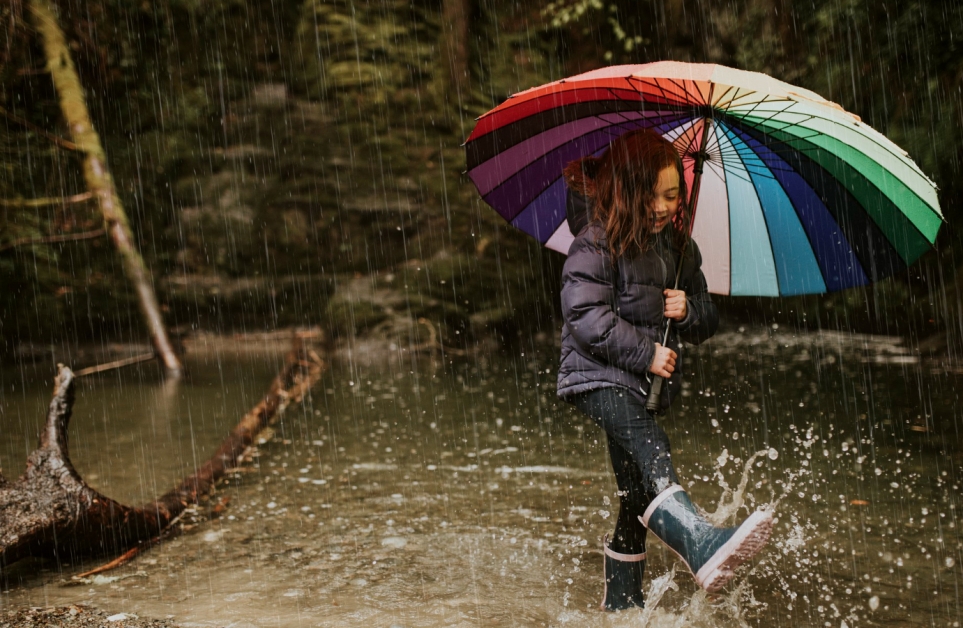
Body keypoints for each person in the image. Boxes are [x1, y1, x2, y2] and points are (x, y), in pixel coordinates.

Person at [557, 128, 772, 611]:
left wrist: (688, 310)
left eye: (672, 195)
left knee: (635, 495)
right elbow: (586, 317)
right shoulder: (596, 240)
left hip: (637, 383)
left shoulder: (679, 248)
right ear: (628, 191)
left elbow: (706, 319)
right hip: (595, 377)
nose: (662, 206)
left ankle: (621, 607)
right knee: (651, 446)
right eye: (651, 195)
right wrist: (648, 354)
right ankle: (699, 541)